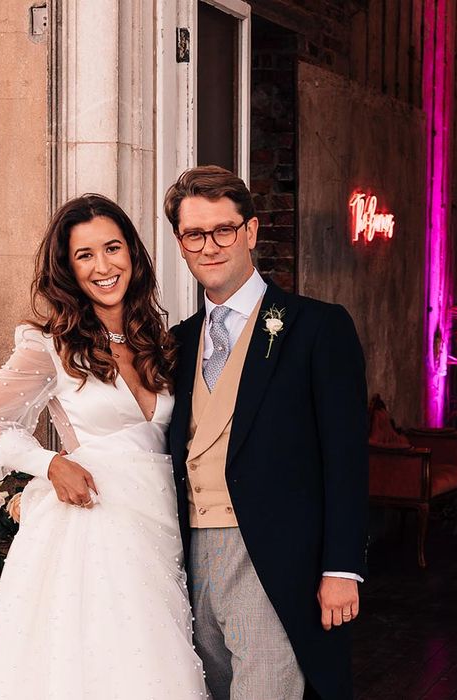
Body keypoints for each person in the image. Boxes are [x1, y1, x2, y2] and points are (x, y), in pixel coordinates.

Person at [0, 194, 207, 699]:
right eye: (84, 255)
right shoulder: (49, 345)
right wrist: (48, 464)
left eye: (112, 248)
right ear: (68, 269)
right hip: (90, 526)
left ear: (133, 255)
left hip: (158, 529)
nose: (103, 266)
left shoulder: (160, 341)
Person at [164, 166, 369, 700]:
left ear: (251, 231)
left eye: (223, 230)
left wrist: (342, 567)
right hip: (187, 555)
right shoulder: (175, 344)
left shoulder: (316, 327)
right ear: (180, 244)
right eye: (194, 234)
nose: (210, 246)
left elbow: (345, 459)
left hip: (273, 557)